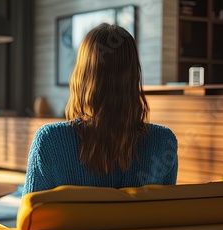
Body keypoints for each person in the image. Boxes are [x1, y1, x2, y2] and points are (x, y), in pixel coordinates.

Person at [22, 23, 178, 196]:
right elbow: (164, 215)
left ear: (81, 76)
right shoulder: (164, 141)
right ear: (134, 76)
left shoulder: (49, 140)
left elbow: (30, 218)